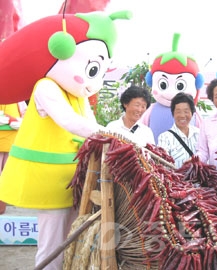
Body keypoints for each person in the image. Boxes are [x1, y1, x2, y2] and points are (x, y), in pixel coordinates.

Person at [0, 10, 132, 269]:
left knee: (72, 241)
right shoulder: (46, 87)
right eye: (91, 68)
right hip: (47, 180)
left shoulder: (80, 95)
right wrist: (114, 134)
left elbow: (91, 125)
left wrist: (113, 136)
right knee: (52, 245)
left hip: (74, 179)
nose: (94, 80)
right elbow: (70, 122)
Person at [157, 92, 199, 168]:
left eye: (186, 111)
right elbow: (162, 164)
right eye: (178, 112)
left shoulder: (199, 134)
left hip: (199, 180)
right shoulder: (164, 137)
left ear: (192, 113)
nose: (182, 116)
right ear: (173, 113)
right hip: (176, 179)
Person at [0, 101, 27, 214]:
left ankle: (2, 207)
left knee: (8, 176)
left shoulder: (17, 99)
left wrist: (22, 122)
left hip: (12, 144)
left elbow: (27, 114)